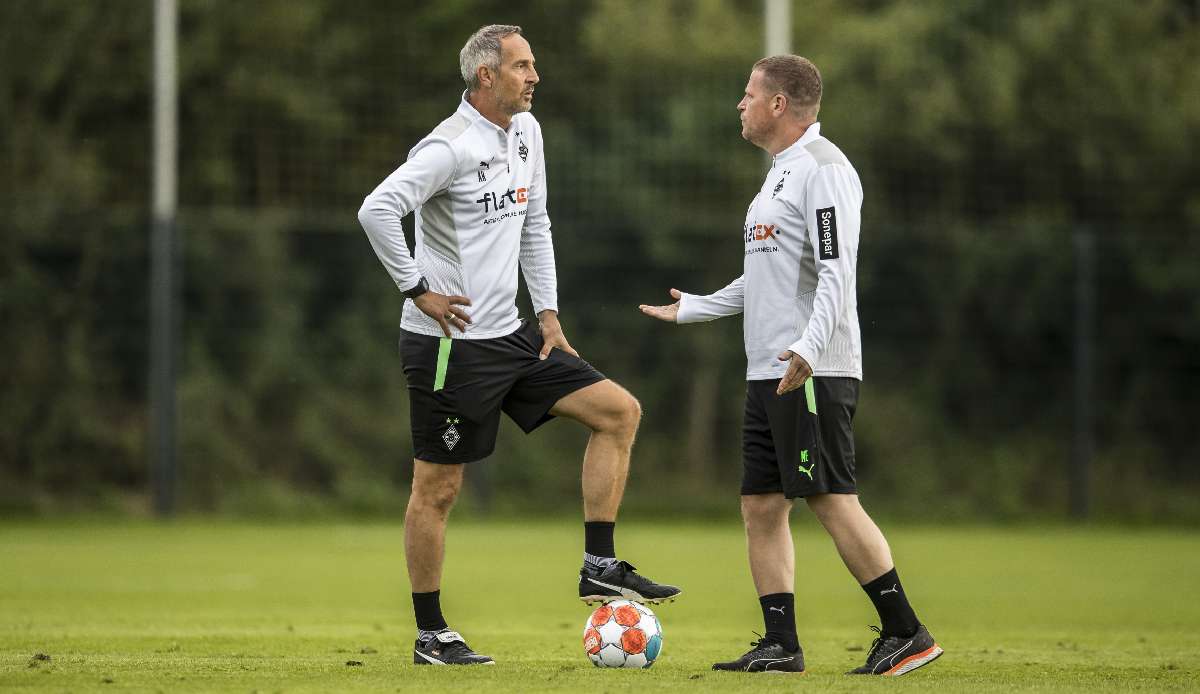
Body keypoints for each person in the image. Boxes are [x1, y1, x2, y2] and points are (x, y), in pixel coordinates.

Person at [358, 24, 680, 667]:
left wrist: (550, 315)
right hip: (450, 343)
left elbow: (536, 223)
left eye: (533, 64)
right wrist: (418, 289)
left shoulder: (527, 133)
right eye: (523, 66)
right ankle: (431, 634)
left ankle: (598, 564)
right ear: (486, 76)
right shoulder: (448, 147)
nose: (535, 76)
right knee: (438, 491)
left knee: (619, 412)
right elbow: (376, 209)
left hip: (516, 337)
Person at [640, 55, 942, 677]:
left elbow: (837, 273)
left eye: (748, 94)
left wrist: (808, 347)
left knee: (830, 496)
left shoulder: (824, 172)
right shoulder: (777, 176)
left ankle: (905, 631)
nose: (740, 104)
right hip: (766, 369)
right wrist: (695, 309)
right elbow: (764, 278)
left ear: (779, 104)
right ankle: (781, 644)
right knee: (760, 504)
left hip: (812, 367)